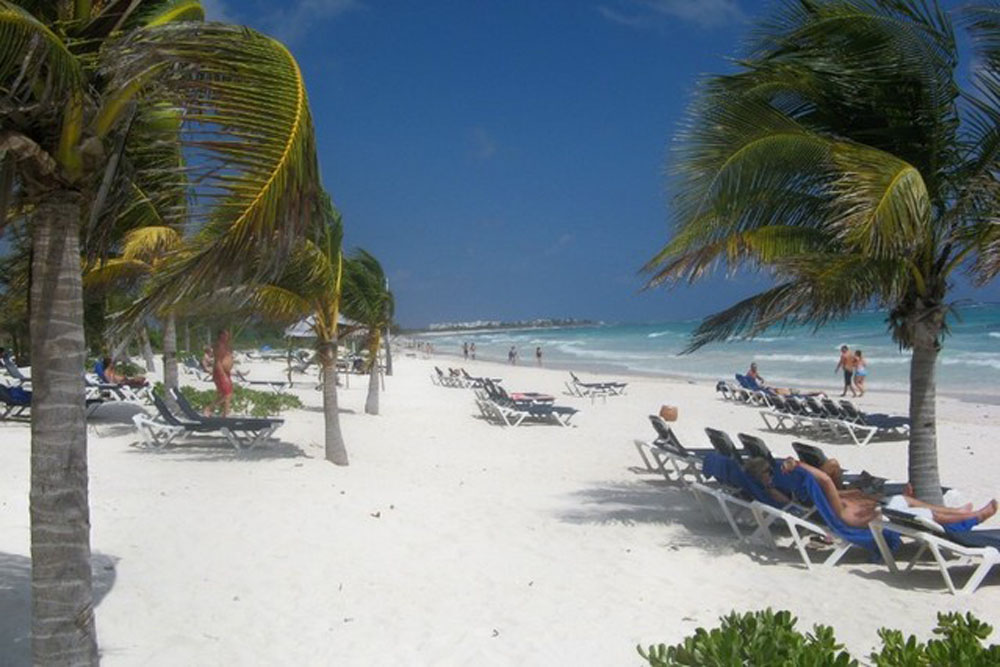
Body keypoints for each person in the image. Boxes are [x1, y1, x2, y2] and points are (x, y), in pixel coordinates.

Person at [745, 457, 997, 528]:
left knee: (908, 501)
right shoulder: (832, 506)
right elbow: (824, 479)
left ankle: (958, 511)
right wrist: (799, 465)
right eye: (768, 471)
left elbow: (828, 483)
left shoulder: (824, 502)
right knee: (922, 513)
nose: (772, 473)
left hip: (875, 513)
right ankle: (972, 518)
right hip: (878, 519)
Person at [204, 329, 234, 417]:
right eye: (225, 335)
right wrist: (223, 375)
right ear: (220, 335)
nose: (227, 337)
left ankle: (225, 412)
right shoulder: (219, 346)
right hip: (220, 372)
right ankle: (209, 408)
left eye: (227, 335)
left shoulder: (226, 345)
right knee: (226, 394)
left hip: (226, 372)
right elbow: (218, 361)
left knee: (227, 393)